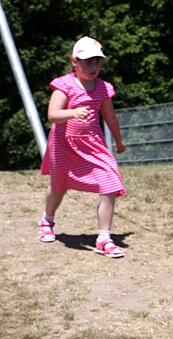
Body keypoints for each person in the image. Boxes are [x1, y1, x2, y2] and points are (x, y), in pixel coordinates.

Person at [38, 36, 127, 258]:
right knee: (59, 186)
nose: (93, 66)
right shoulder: (64, 85)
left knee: (110, 183)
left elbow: (109, 116)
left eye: (97, 62)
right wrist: (72, 113)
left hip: (93, 143)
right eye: (88, 61)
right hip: (64, 144)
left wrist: (118, 140)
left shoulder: (103, 88)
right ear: (74, 62)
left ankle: (104, 238)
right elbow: (52, 115)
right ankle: (47, 221)